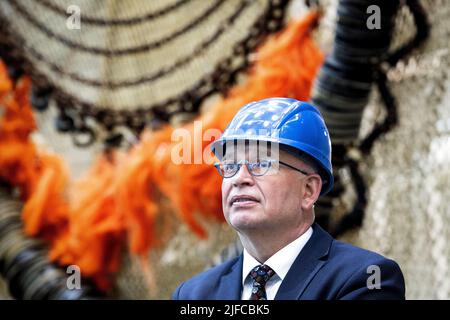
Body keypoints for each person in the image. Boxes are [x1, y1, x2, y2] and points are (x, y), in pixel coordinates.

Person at [172, 97, 405, 300]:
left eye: (261, 163)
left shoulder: (365, 278)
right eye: (230, 165)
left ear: (308, 190)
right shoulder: (193, 294)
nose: (239, 178)